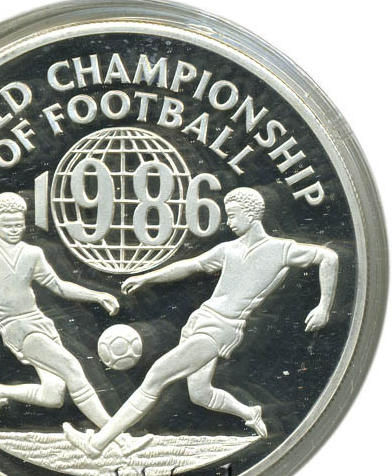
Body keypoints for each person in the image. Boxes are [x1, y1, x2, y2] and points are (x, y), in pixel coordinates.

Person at [64, 187, 339, 457]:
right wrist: (148, 277)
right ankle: (250, 412)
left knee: (158, 375)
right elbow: (190, 266)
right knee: (200, 394)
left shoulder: (280, 250)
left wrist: (324, 307)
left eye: (233, 215)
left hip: (221, 329)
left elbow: (329, 257)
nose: (229, 222)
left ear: (251, 214)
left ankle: (97, 444)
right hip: (200, 320)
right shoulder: (229, 249)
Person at [0, 192, 152, 455]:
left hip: (41, 323)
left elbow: (59, 286)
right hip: (17, 328)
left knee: (53, 396)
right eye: (8, 225)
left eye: (18, 225)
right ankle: (119, 440)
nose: (14, 230)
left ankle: (2, 392)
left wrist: (97, 296)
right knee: (72, 369)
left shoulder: (32, 253)